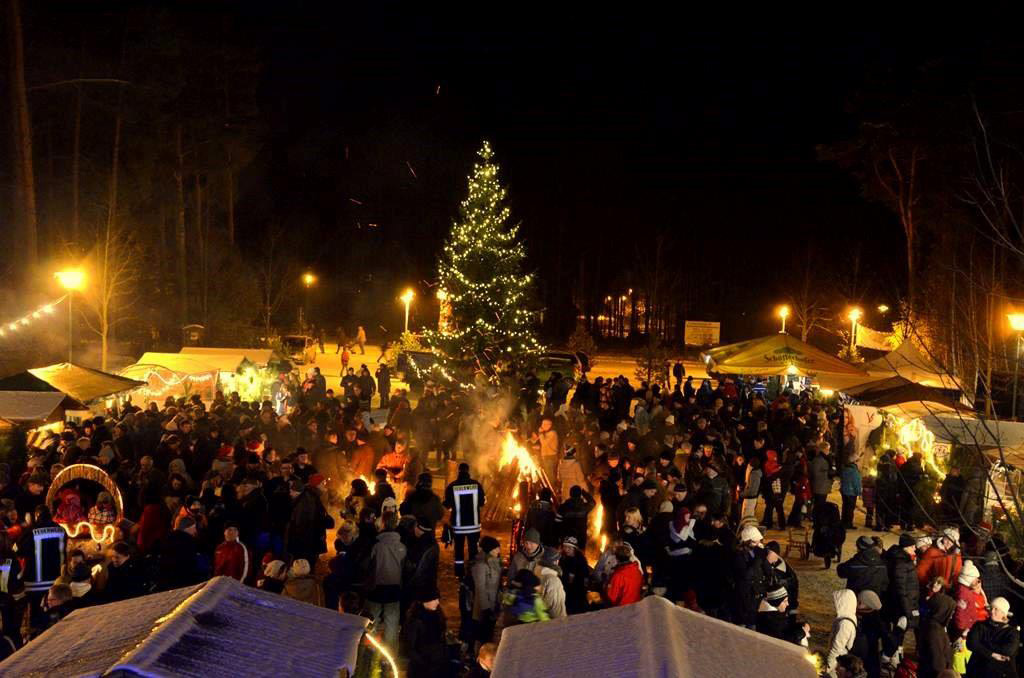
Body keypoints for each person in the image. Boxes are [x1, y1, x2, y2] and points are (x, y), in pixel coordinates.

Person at [367, 512, 406, 649]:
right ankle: (389, 654)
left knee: (372, 621)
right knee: (392, 623)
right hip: (394, 588)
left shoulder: (377, 545)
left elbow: (369, 565)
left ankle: (371, 652)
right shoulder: (402, 546)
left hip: (376, 588)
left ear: (382, 523)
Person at [883, 533, 920, 664]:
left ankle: (894, 654)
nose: (915, 548)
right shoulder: (902, 563)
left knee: (899, 631)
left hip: (899, 603)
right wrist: (907, 610)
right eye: (912, 546)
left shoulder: (902, 559)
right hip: (901, 605)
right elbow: (901, 589)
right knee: (899, 630)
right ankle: (888, 656)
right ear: (905, 547)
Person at [443, 463, 485, 578]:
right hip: (474, 525)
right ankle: (472, 571)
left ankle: (459, 573)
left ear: (459, 471)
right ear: (468, 471)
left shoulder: (452, 486)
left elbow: (447, 504)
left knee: (459, 549)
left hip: (458, 526)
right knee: (473, 549)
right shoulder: (476, 485)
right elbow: (481, 503)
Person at [966, 596, 1019, 678]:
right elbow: (971, 644)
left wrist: (982, 644)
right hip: (977, 672)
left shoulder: (1011, 632)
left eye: (996, 609)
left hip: (1000, 673)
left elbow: (1008, 651)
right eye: (991, 608)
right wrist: (992, 654)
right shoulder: (979, 625)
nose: (992, 611)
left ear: (1003, 613)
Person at [403, 586, 446, 678]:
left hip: (437, 665)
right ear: (425, 600)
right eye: (434, 599)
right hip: (422, 669)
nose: (438, 602)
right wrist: (425, 664)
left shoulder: (437, 615)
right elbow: (410, 647)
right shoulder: (416, 620)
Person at [468, 535, 501, 650]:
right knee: (481, 635)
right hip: (483, 608)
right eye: (496, 548)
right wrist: (486, 609)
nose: (499, 550)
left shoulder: (494, 562)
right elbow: (480, 588)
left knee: (488, 634)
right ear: (489, 549)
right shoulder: (481, 565)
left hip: (492, 606)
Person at [919, 592, 956, 678]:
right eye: (950, 612)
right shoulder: (934, 632)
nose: (951, 616)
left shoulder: (936, 626)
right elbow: (937, 660)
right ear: (942, 611)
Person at [952, 559, 988, 641]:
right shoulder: (963, 594)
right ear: (968, 578)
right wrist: (963, 632)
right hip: (966, 630)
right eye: (975, 579)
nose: (977, 581)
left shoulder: (967, 590)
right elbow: (960, 614)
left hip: (971, 627)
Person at [826, 589, 858, 678]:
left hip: (837, 663)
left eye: (838, 602)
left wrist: (828, 667)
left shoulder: (845, 624)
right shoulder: (847, 617)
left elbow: (837, 648)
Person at [558, 535, 591, 615]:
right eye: (565, 547)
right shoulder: (562, 559)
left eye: (569, 548)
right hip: (565, 593)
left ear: (574, 549)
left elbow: (585, 577)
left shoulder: (581, 560)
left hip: (577, 595)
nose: (566, 550)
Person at [534, 554, 566, 618]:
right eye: (557, 560)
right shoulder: (553, 580)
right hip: (554, 621)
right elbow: (553, 605)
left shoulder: (538, 575)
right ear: (554, 562)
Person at [840, 461, 862, 529]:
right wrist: (858, 492)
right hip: (851, 492)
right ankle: (848, 523)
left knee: (845, 507)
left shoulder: (844, 471)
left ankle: (843, 521)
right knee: (850, 508)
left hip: (844, 492)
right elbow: (856, 483)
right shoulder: (854, 472)